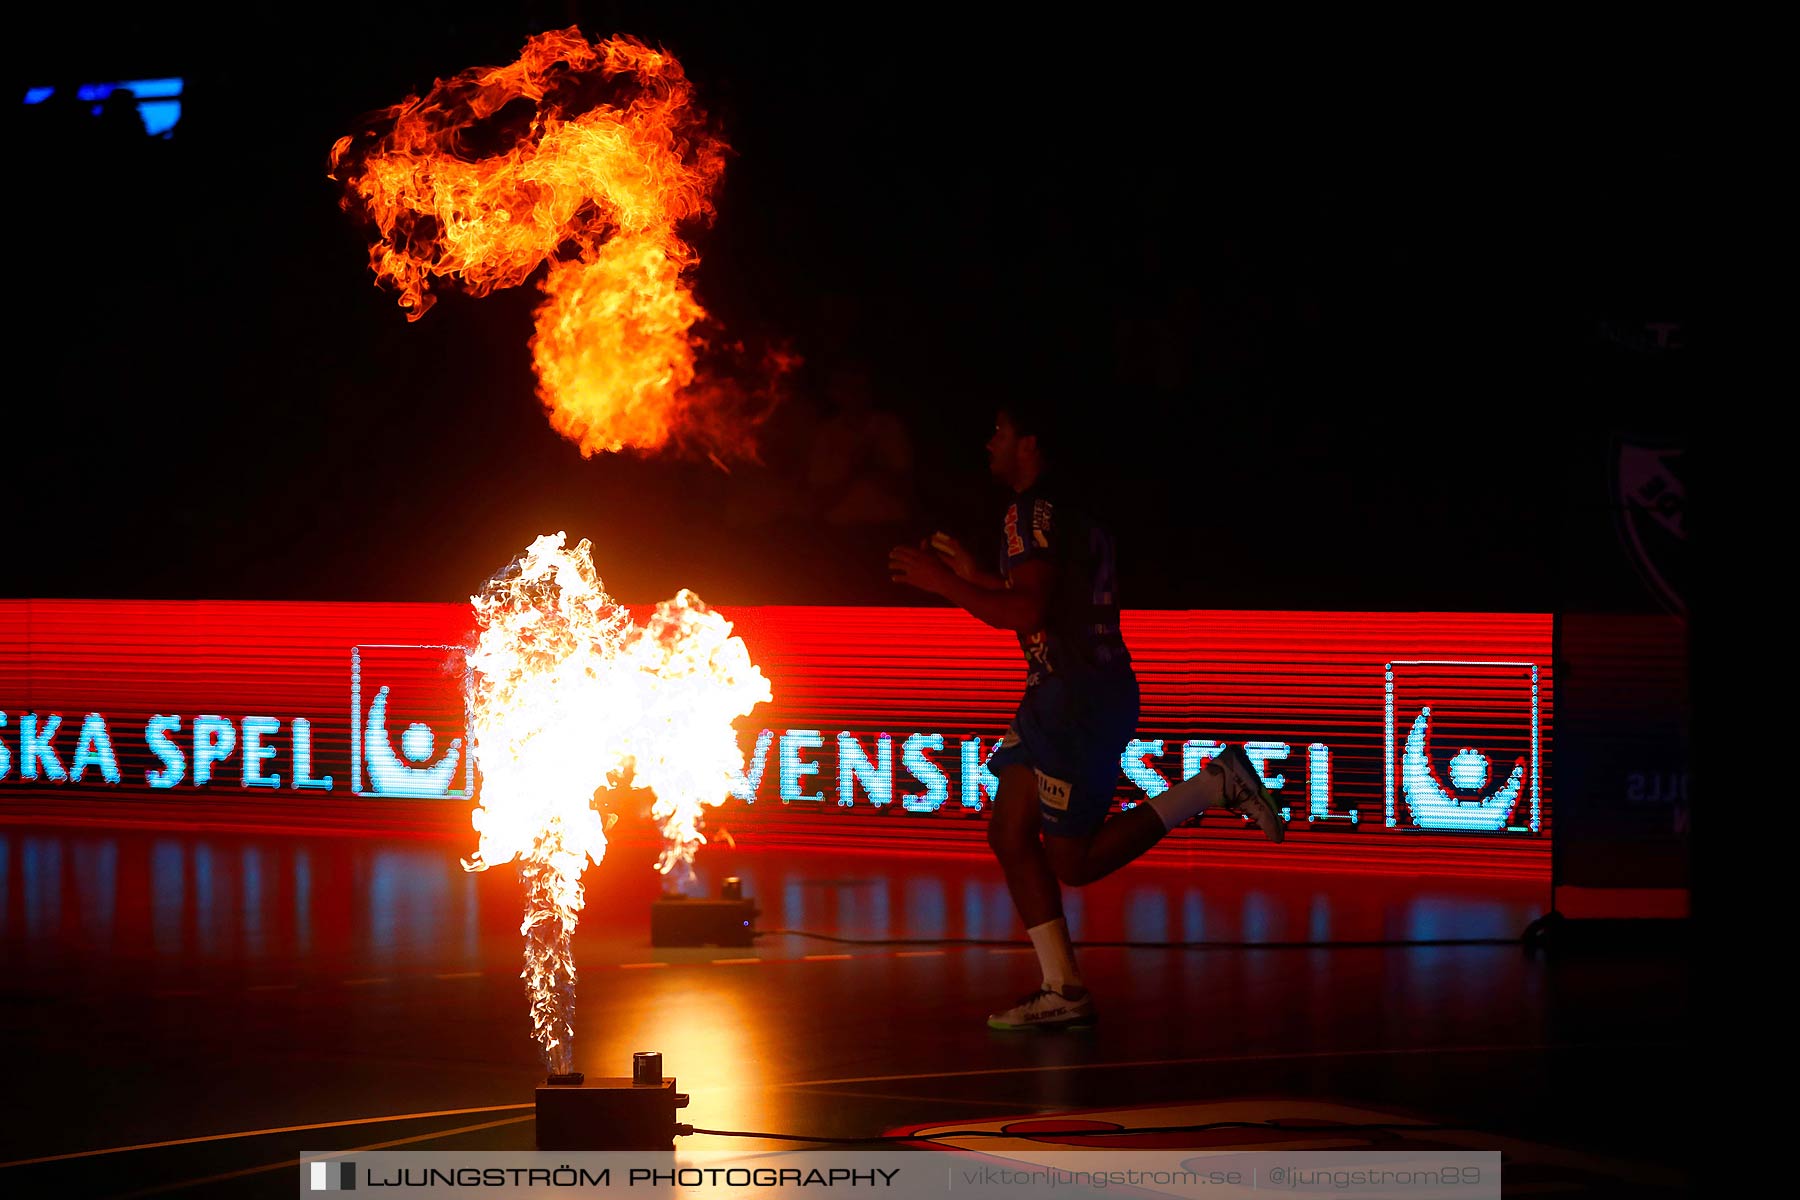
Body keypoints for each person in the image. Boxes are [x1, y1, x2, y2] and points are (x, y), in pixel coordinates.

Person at [889, 402, 1287, 1030]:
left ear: (1030, 443)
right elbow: (1042, 596)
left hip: (1078, 701)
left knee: (1072, 864)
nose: (988, 442)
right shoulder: (1069, 509)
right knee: (1009, 833)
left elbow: (1027, 613)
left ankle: (1214, 785)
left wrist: (945, 584)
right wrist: (976, 574)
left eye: (1000, 431)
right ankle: (1063, 989)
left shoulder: (1033, 511)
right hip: (1059, 695)